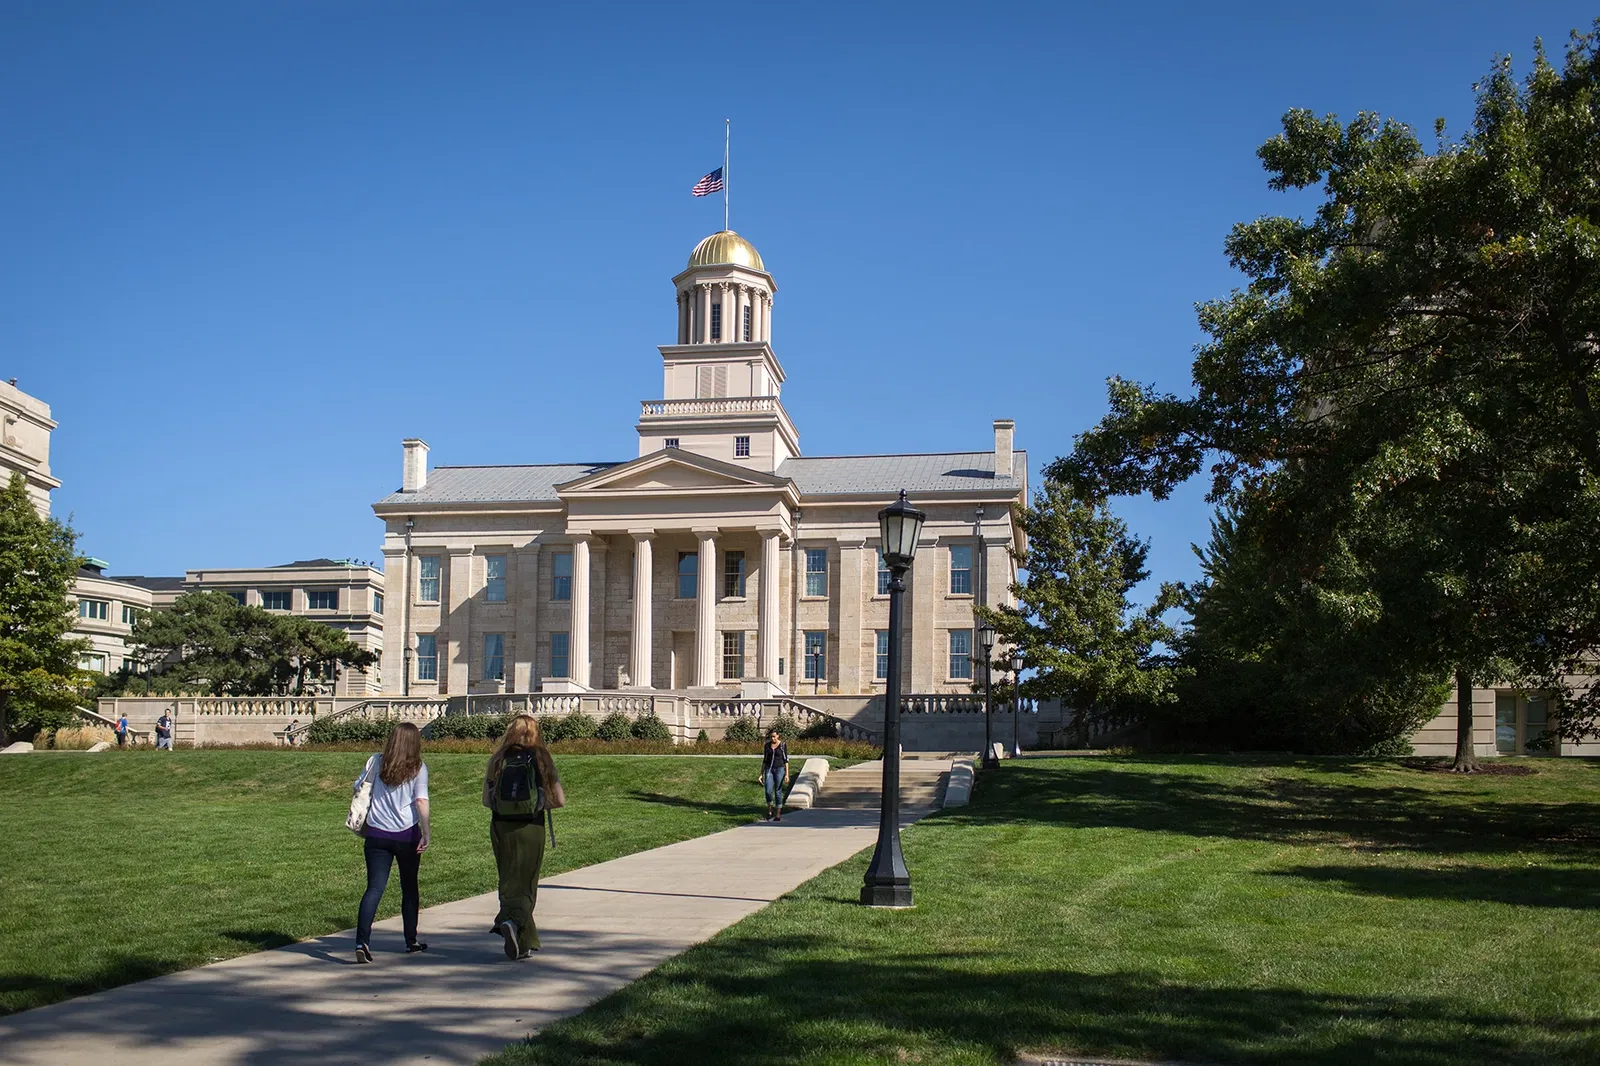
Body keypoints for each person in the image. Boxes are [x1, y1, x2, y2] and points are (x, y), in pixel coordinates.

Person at [484, 714, 563, 960]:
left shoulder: (497, 759)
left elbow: (487, 800)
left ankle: (524, 942)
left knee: (508, 880)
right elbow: (560, 800)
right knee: (527, 883)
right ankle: (511, 921)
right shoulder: (542, 759)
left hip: (501, 826)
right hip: (531, 827)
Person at [352, 722, 431, 962]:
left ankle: (362, 941)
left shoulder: (376, 762)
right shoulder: (418, 768)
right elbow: (420, 801)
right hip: (407, 834)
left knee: (374, 888)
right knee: (409, 888)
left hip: (376, 834)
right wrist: (426, 832)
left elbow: (359, 787)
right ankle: (410, 940)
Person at [761, 729, 789, 821]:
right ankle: (770, 810)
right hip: (769, 769)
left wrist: (787, 774)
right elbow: (765, 760)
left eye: (774, 736)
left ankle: (778, 814)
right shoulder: (767, 746)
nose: (773, 738)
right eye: (771, 737)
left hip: (779, 769)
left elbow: (786, 760)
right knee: (768, 790)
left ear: (778, 736)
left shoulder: (782, 745)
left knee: (778, 791)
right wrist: (761, 774)